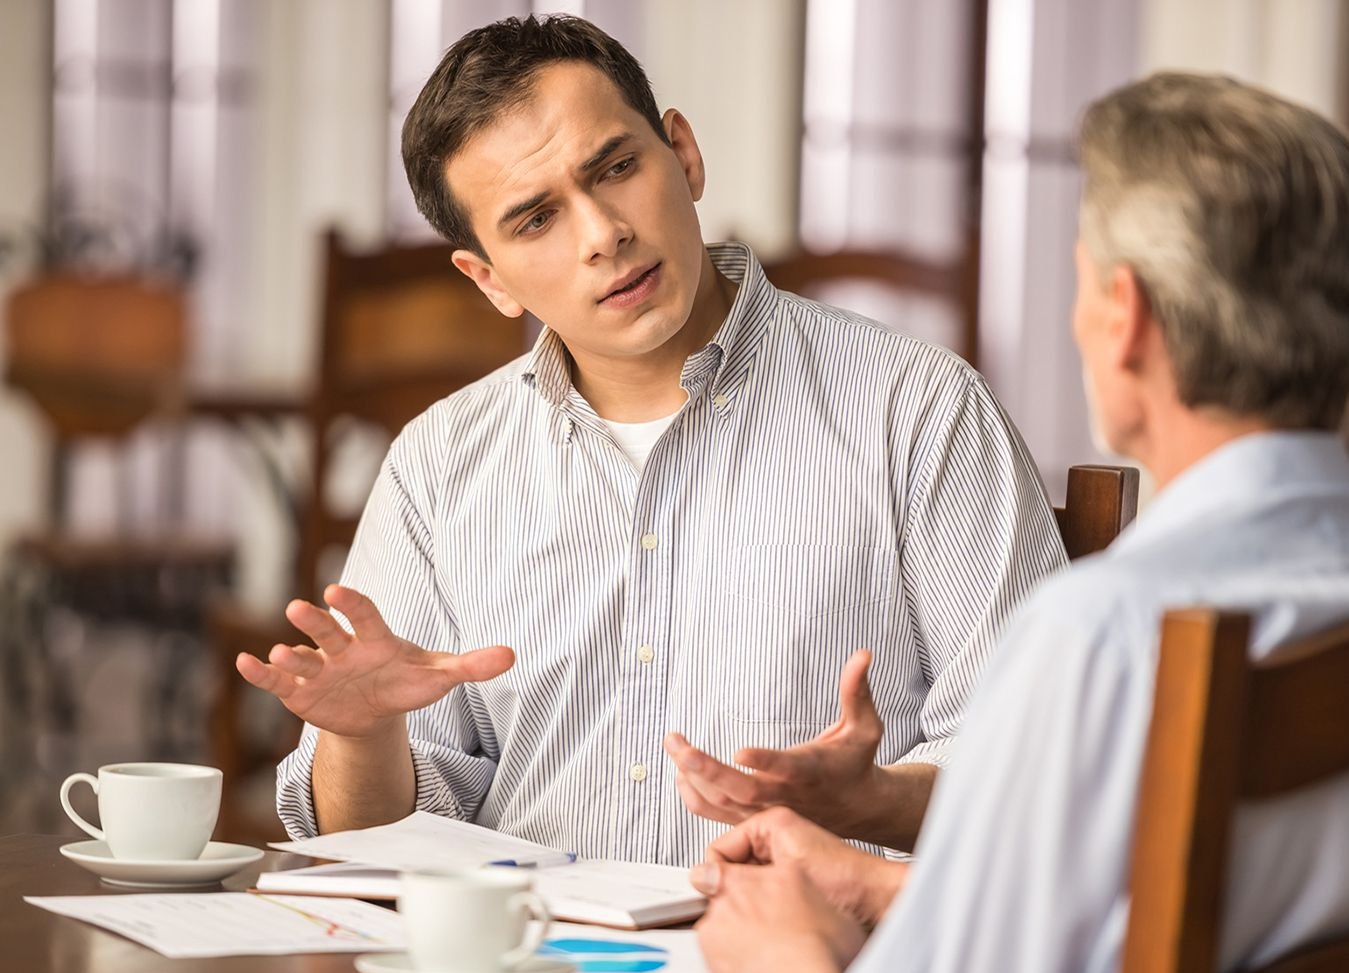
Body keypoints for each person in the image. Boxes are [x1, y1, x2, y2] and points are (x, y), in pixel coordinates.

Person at [690, 72, 1349, 973]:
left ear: (1129, 320)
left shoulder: (1103, 635)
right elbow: (1200, 925)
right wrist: (895, 887)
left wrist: (783, 962)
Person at [234, 14, 1067, 866]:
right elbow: (376, 846)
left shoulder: (918, 409)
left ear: (684, 154)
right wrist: (365, 738)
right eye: (534, 221)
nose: (602, 234)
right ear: (488, 280)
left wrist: (877, 802)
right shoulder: (437, 466)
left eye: (617, 168)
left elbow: (1041, 758)